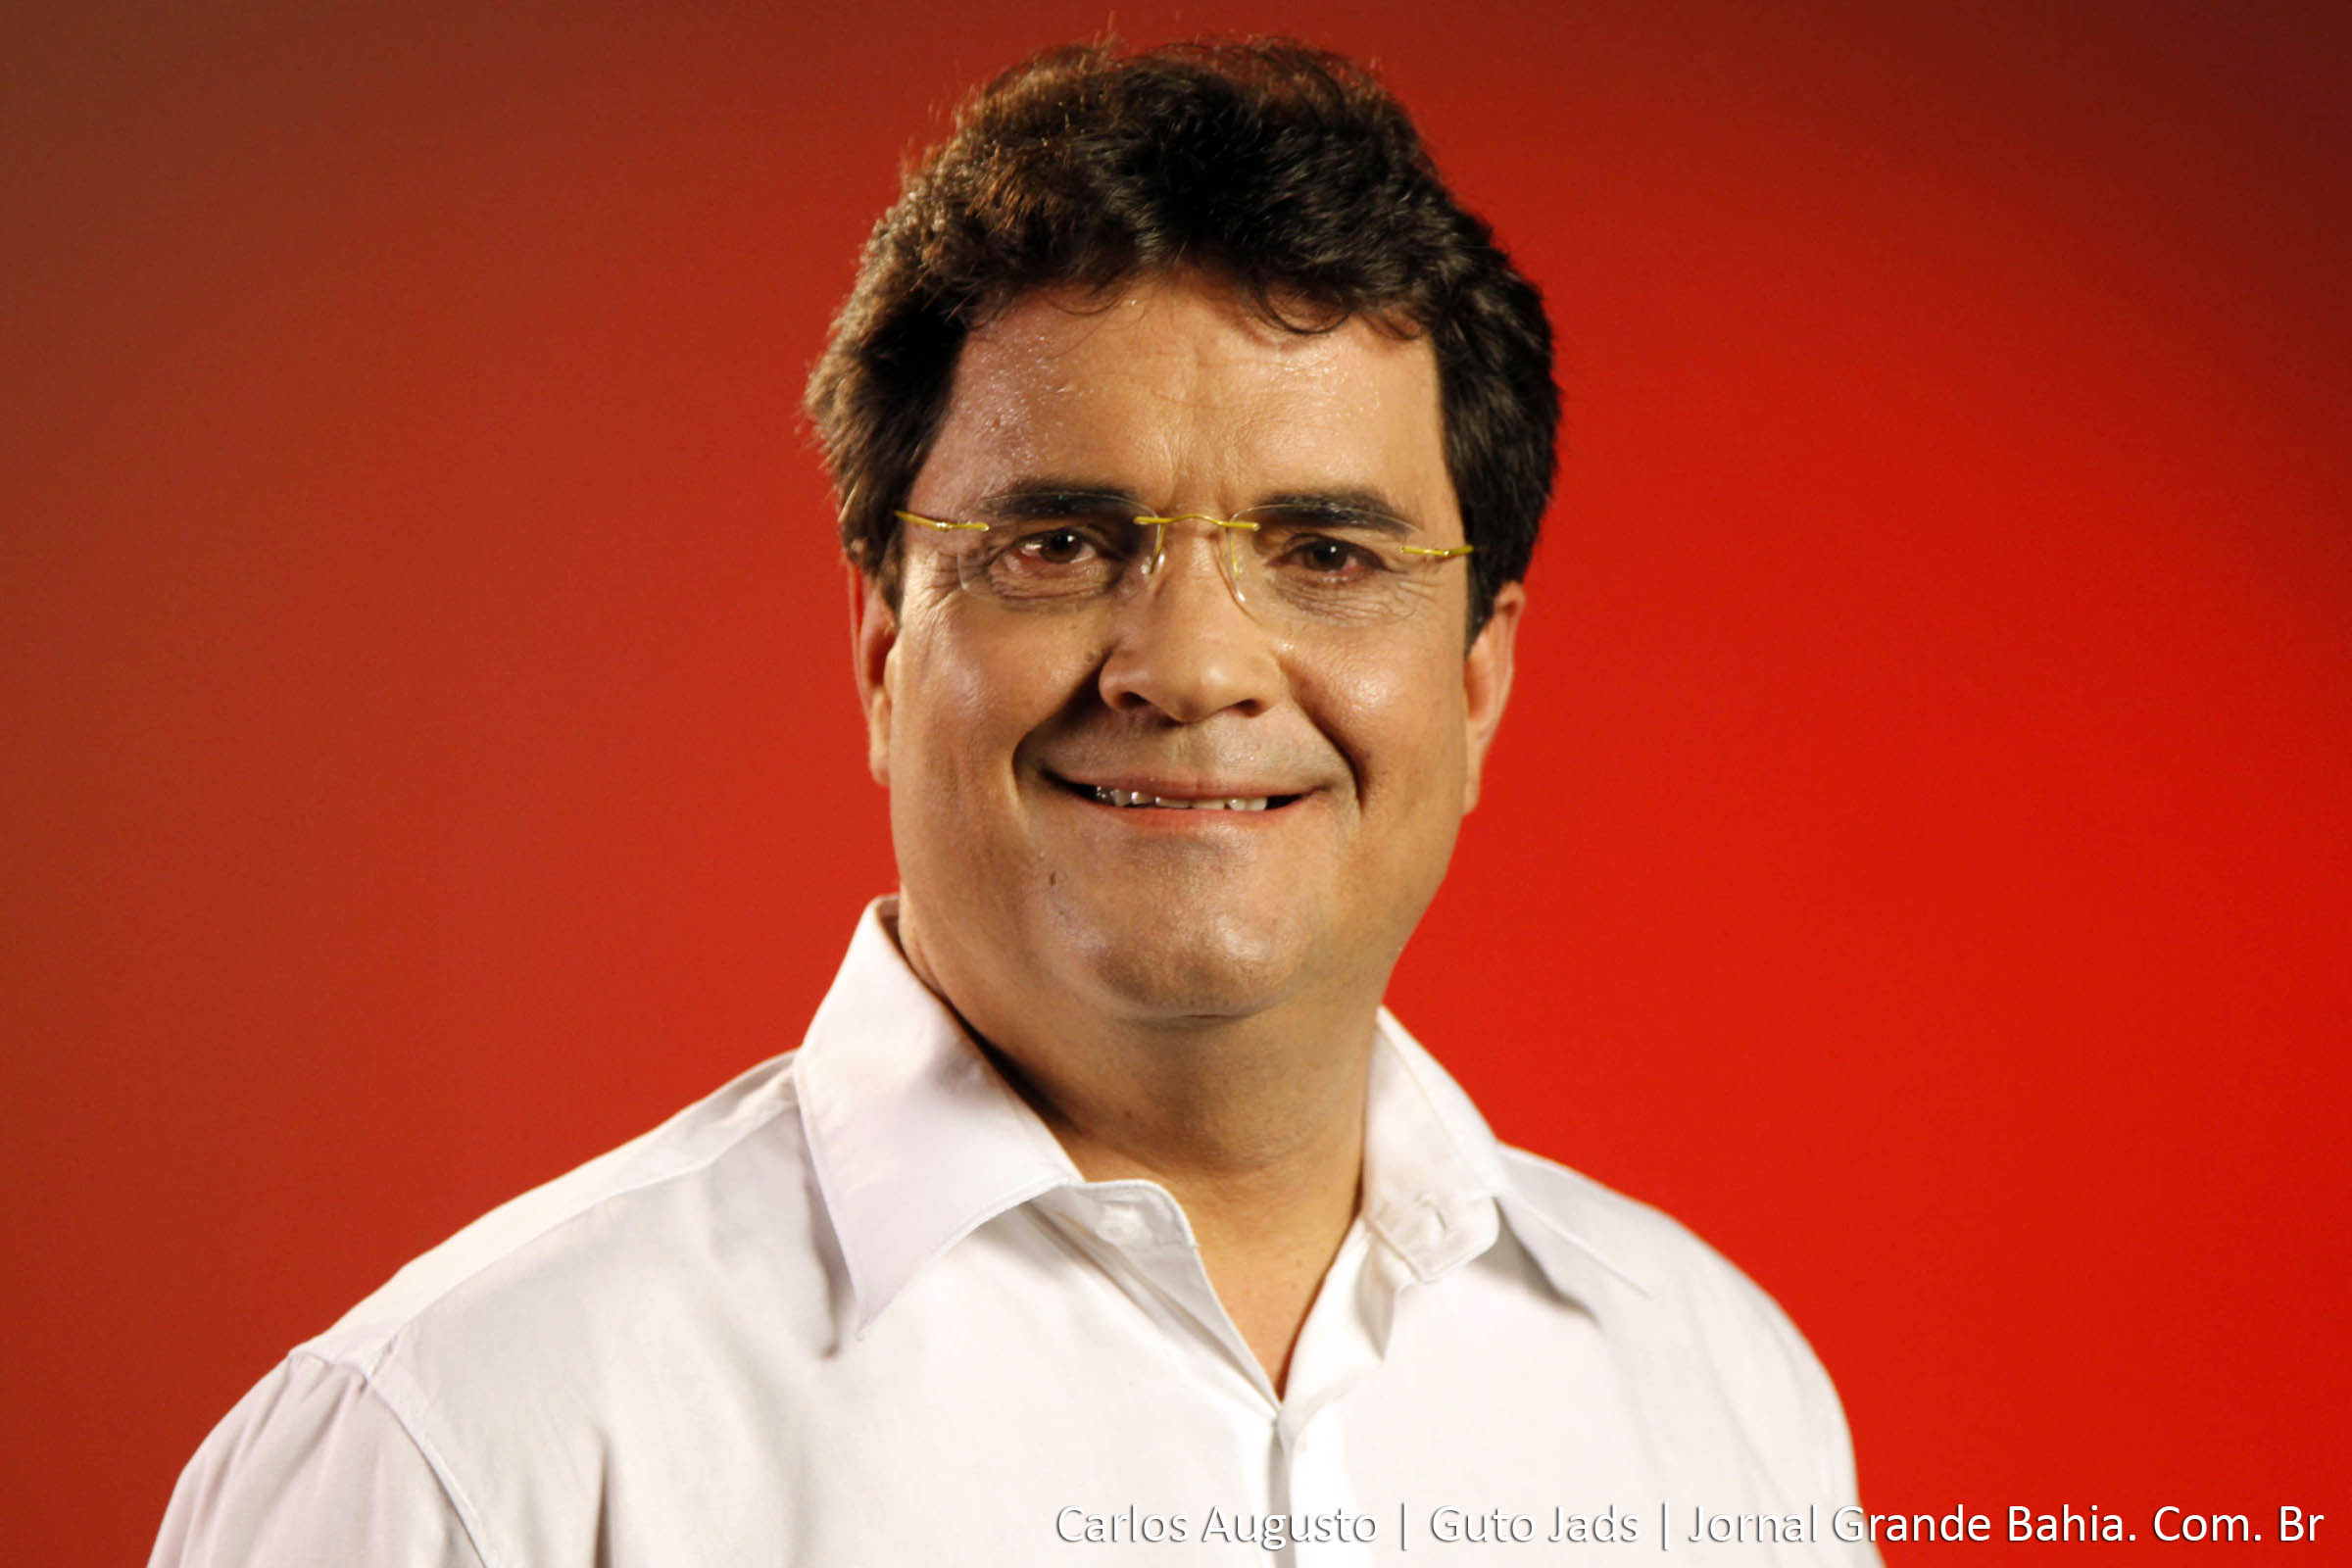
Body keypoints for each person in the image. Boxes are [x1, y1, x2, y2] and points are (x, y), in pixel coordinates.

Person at [153, 39, 1874, 1565]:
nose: (1194, 664)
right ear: (887, 652)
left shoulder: (1717, 1397)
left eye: (1329, 553)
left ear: (1480, 679)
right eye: (1060, 543)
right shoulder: (463, 1453)